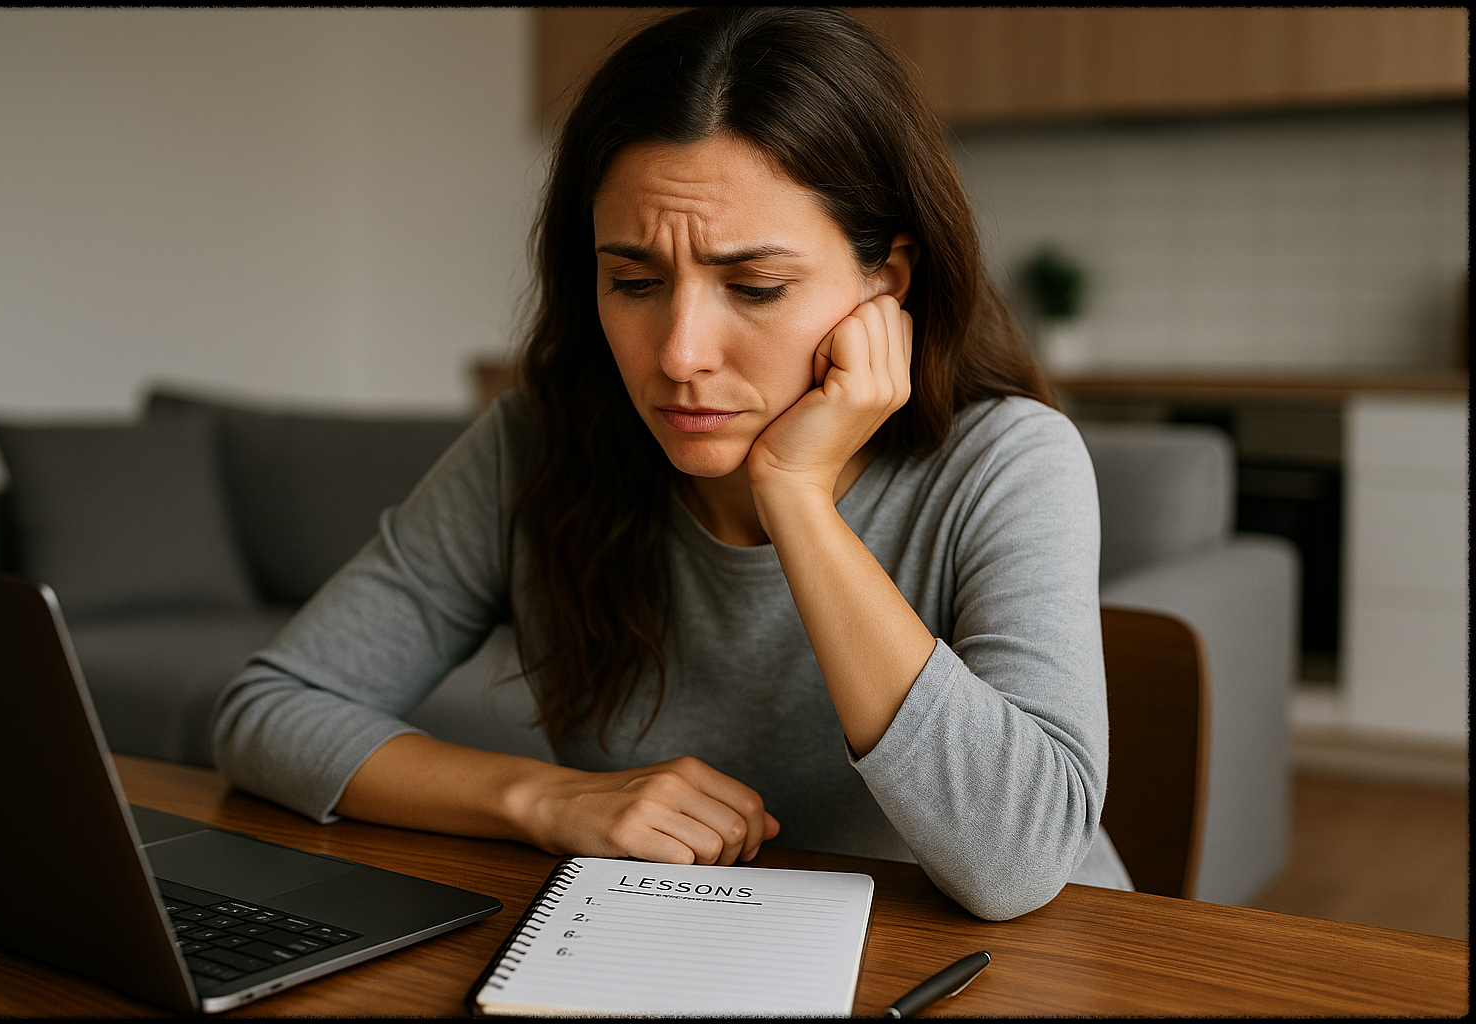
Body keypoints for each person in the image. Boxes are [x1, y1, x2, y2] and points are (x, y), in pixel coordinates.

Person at [211, 6, 1132, 921]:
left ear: (885, 279)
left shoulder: (1007, 461)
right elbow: (270, 710)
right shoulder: (538, 444)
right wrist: (542, 799)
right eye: (636, 282)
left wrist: (796, 498)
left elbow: (1018, 862)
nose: (680, 352)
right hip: (678, 949)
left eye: (755, 288)